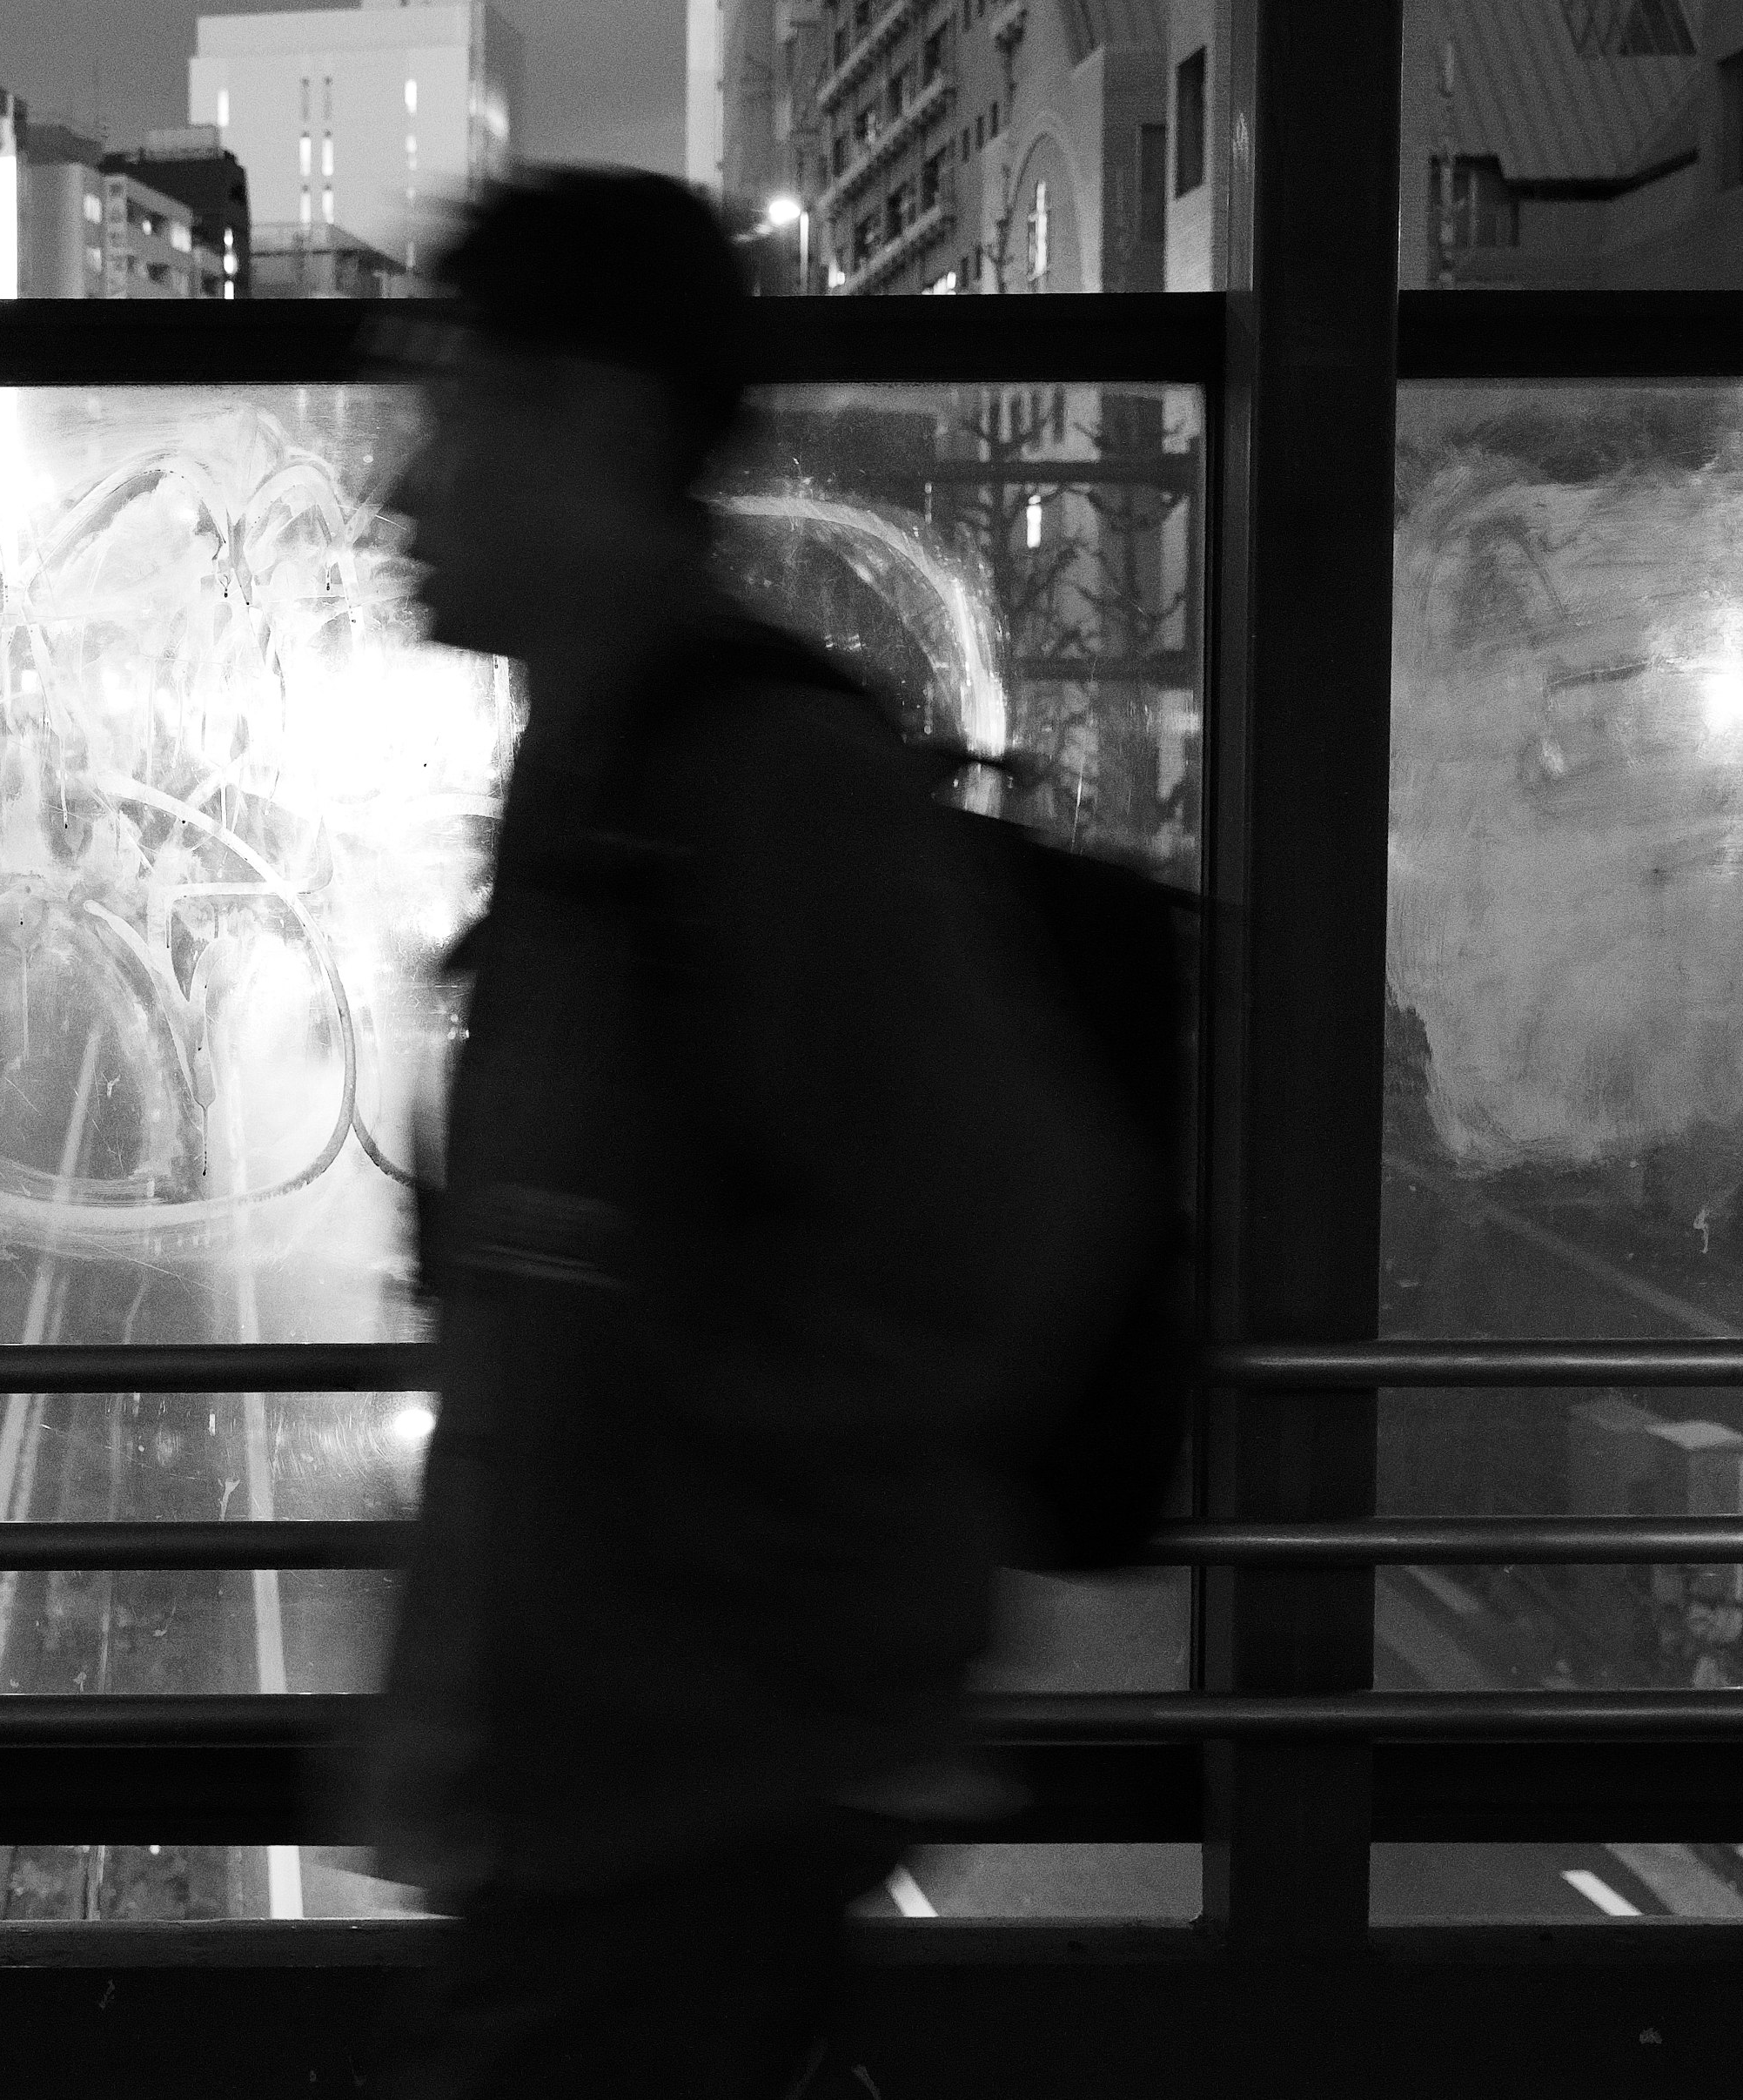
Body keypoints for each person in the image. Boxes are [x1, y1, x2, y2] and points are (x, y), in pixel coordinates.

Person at [351, 168, 1151, 2097]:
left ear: (599, 426)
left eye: (453, 413)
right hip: (608, 1812)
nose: (403, 485)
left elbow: (1014, 1215)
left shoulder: (762, 793)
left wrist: (681, 1587)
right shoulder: (596, 787)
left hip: (683, 1814)